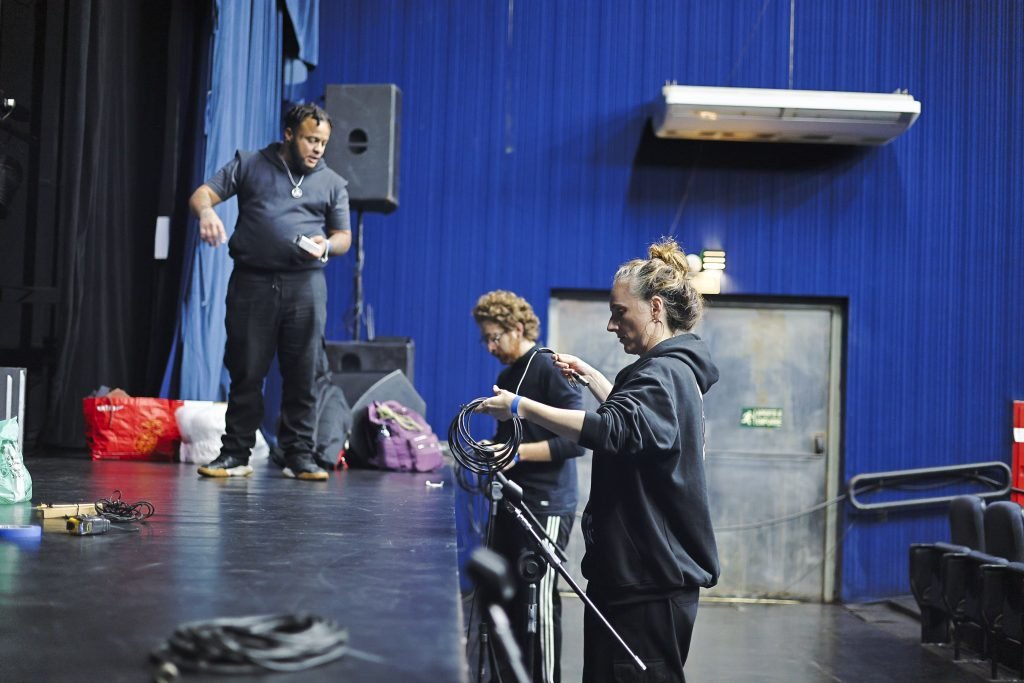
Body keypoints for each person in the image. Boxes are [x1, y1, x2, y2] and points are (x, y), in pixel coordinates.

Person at [478, 238, 720, 683]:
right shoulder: (670, 372)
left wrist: (521, 407)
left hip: (648, 581)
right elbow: (638, 433)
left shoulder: (664, 373)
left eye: (620, 312)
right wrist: (592, 377)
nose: (612, 325)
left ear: (656, 308)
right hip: (637, 578)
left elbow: (613, 431)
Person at [188, 103, 351, 481]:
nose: (317, 149)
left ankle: (300, 456)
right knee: (246, 370)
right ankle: (235, 454)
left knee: (304, 373)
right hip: (253, 283)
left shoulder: (332, 182)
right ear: (290, 134)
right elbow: (202, 195)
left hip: (306, 285)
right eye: (311, 139)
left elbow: (344, 236)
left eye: (323, 143)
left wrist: (325, 244)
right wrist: (208, 213)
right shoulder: (250, 164)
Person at [472, 290, 586, 683]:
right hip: (512, 503)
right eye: (485, 339)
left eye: (495, 337)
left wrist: (517, 453)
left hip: (547, 506)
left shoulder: (547, 368)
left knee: (538, 602)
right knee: (507, 599)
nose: (490, 347)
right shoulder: (507, 377)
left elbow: (577, 440)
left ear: (517, 328)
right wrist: (497, 451)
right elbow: (510, 445)